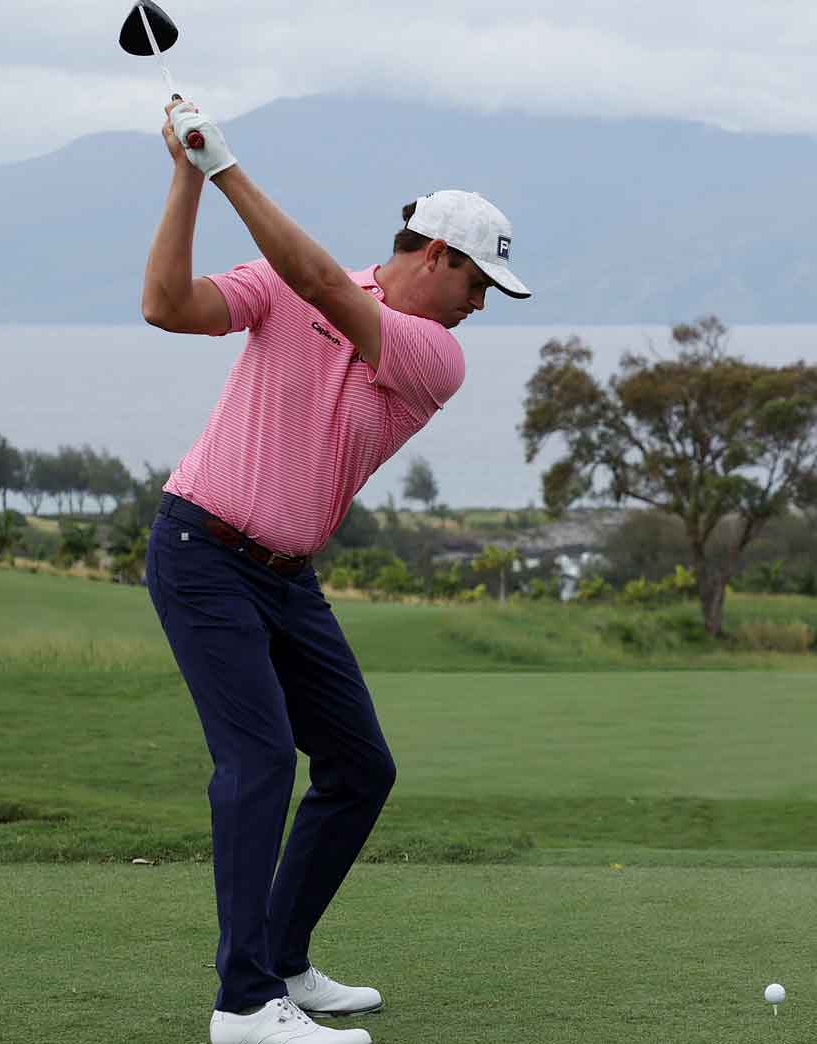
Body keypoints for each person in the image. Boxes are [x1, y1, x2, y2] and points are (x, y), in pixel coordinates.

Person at [140, 98, 530, 1044]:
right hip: (201, 552)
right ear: (434, 255)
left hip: (287, 577)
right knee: (261, 759)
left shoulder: (435, 357)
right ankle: (243, 1004)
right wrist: (189, 175)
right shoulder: (287, 286)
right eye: (478, 281)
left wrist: (226, 166)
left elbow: (318, 282)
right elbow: (167, 305)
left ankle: (280, 960)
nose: (482, 305)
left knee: (359, 767)